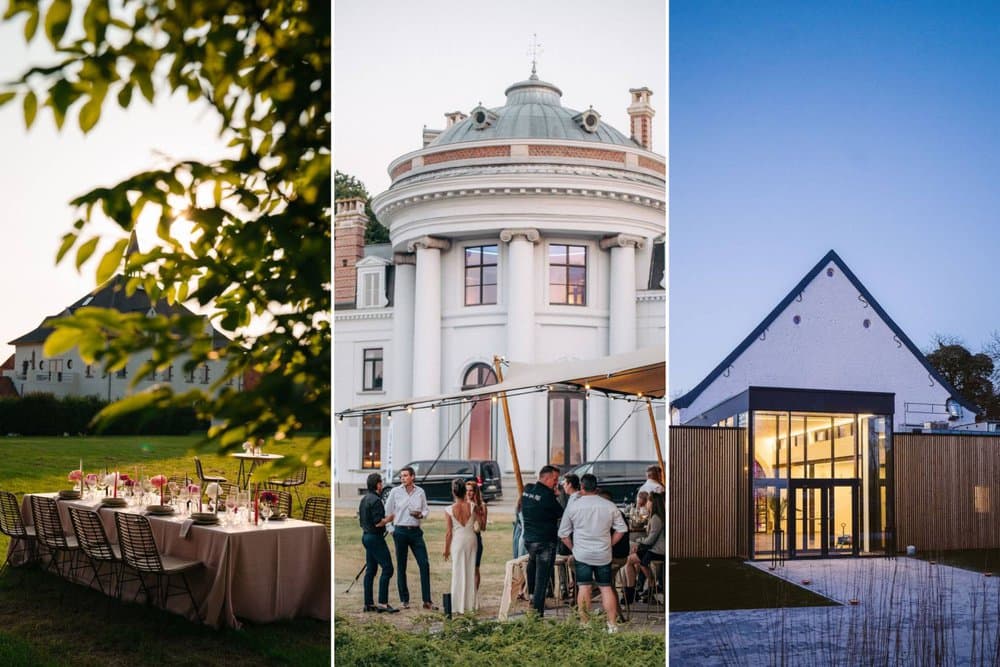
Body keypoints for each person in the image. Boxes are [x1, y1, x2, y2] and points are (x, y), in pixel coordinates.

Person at [559, 474, 627, 633]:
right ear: (596, 488)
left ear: (581, 487)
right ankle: (612, 625)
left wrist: (573, 548)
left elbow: (563, 533)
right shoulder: (609, 505)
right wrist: (610, 543)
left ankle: (585, 625)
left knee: (584, 588)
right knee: (606, 587)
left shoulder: (574, 507)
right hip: (603, 553)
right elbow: (622, 529)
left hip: (582, 553)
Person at [384, 466, 436, 610]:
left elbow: (426, 509)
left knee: (424, 564)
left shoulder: (420, 492)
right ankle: (404, 599)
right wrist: (390, 529)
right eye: (401, 476)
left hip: (415, 532)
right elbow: (387, 511)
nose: (403, 478)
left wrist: (421, 515)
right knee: (402, 566)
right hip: (400, 531)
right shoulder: (395, 492)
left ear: (413, 477)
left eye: (406, 475)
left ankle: (427, 600)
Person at [521, 464, 563, 617]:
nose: (556, 483)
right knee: (542, 579)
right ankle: (538, 614)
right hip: (545, 541)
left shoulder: (527, 490)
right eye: (555, 479)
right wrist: (558, 496)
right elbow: (561, 513)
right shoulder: (548, 495)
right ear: (546, 477)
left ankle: (531, 598)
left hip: (529, 540)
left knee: (532, 566)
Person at [358, 473, 399, 613]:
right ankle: (382, 603)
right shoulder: (376, 500)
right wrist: (390, 518)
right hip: (375, 538)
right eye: (381, 482)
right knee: (388, 568)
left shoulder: (364, 499)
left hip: (366, 536)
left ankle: (368, 603)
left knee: (371, 569)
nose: (382, 485)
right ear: (377, 484)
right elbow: (378, 523)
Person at [444, 478, 478, 614]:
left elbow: (448, 533)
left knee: (458, 572)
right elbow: (479, 523)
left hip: (458, 541)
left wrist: (446, 549)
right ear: (465, 491)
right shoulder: (472, 506)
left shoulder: (448, 509)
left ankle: (457, 606)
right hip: (471, 539)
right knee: (470, 571)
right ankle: (469, 604)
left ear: (453, 491)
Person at [625, 491, 666, 604]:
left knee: (630, 560)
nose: (646, 503)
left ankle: (635, 590)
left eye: (648, 501)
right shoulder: (657, 517)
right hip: (656, 549)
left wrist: (639, 543)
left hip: (657, 550)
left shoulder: (656, 518)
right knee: (636, 560)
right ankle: (644, 587)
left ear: (652, 503)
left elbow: (651, 539)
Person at [599, 488, 630, 623]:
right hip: (622, 555)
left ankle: (613, 613)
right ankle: (616, 613)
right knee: (607, 582)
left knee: (604, 582)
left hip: (613, 556)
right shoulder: (619, 513)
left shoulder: (607, 514)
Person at [465, 479, 488, 592]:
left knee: (475, 568)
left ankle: (474, 594)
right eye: (466, 491)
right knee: (464, 569)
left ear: (475, 492)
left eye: (471, 491)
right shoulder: (462, 505)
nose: (468, 493)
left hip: (476, 539)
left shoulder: (482, 505)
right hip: (464, 539)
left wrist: (477, 513)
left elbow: (483, 528)